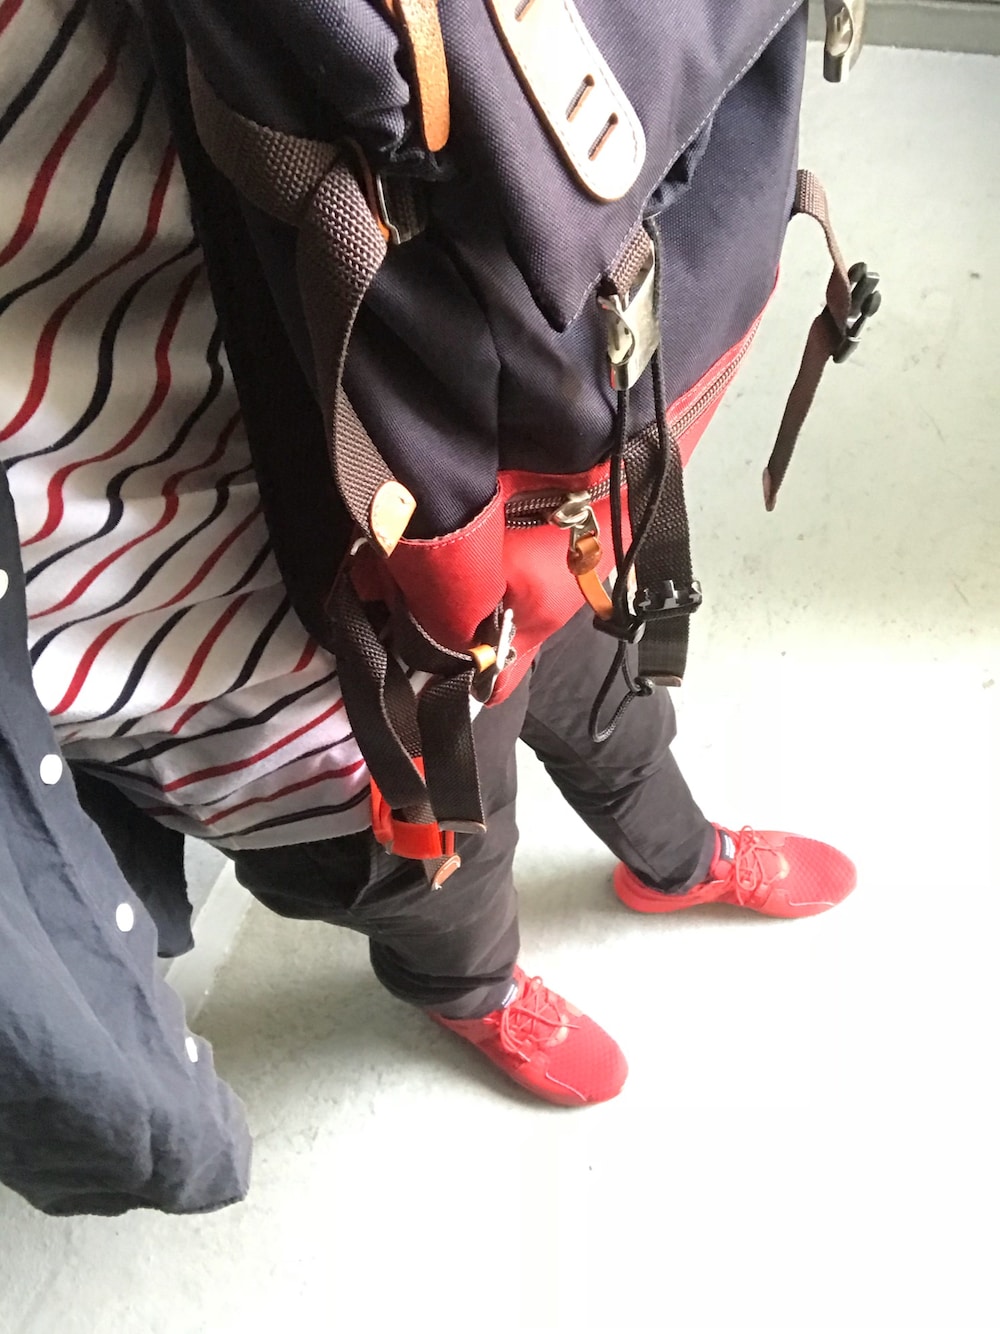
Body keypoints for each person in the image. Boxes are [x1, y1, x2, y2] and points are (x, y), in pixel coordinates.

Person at [1, 0, 855, 1126]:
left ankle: (675, 857)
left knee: (607, 695)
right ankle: (475, 992)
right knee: (429, 872)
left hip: (481, 484)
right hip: (221, 648)